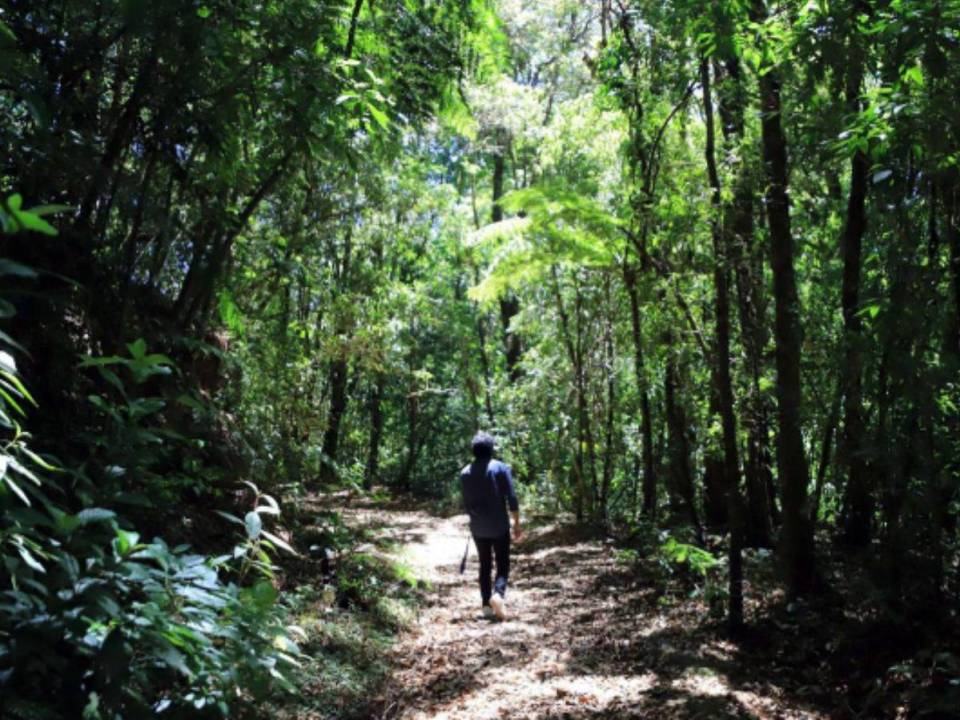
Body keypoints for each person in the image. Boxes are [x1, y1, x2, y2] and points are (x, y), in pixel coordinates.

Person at [459, 431, 522, 620]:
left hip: (478, 527)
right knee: (502, 563)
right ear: (491, 449)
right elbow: (511, 498)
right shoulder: (500, 468)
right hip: (499, 526)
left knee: (484, 564)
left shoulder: (465, 473)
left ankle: (486, 606)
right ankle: (498, 594)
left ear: (474, 450)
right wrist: (517, 523)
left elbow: (467, 503)